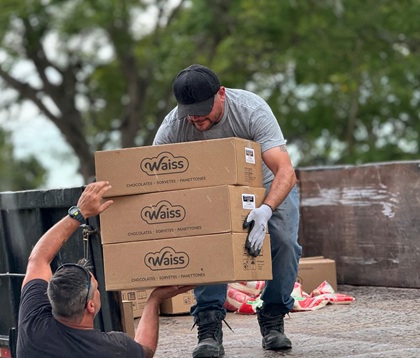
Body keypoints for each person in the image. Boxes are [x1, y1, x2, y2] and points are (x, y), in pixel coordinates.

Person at [153, 64, 301, 357]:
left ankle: (273, 316)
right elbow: (155, 177)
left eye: (203, 109)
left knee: (285, 243)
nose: (197, 118)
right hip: (210, 194)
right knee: (209, 246)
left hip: (265, 186)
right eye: (190, 112)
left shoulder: (251, 110)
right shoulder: (173, 126)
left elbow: (285, 170)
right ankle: (209, 326)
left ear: (221, 94)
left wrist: (267, 209)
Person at [16, 181, 194, 358]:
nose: (98, 290)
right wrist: (154, 299)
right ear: (90, 306)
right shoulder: (111, 348)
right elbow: (145, 350)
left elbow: (38, 259)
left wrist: (79, 213)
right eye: (96, 288)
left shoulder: (33, 330)